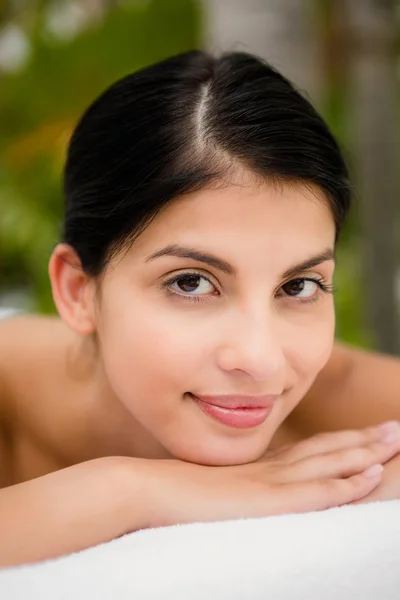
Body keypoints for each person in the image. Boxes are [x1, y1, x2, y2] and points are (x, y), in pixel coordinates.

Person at [1, 50, 400, 567]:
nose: (261, 360)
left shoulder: (339, 398)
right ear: (79, 291)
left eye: (299, 286)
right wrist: (128, 490)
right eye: (191, 283)